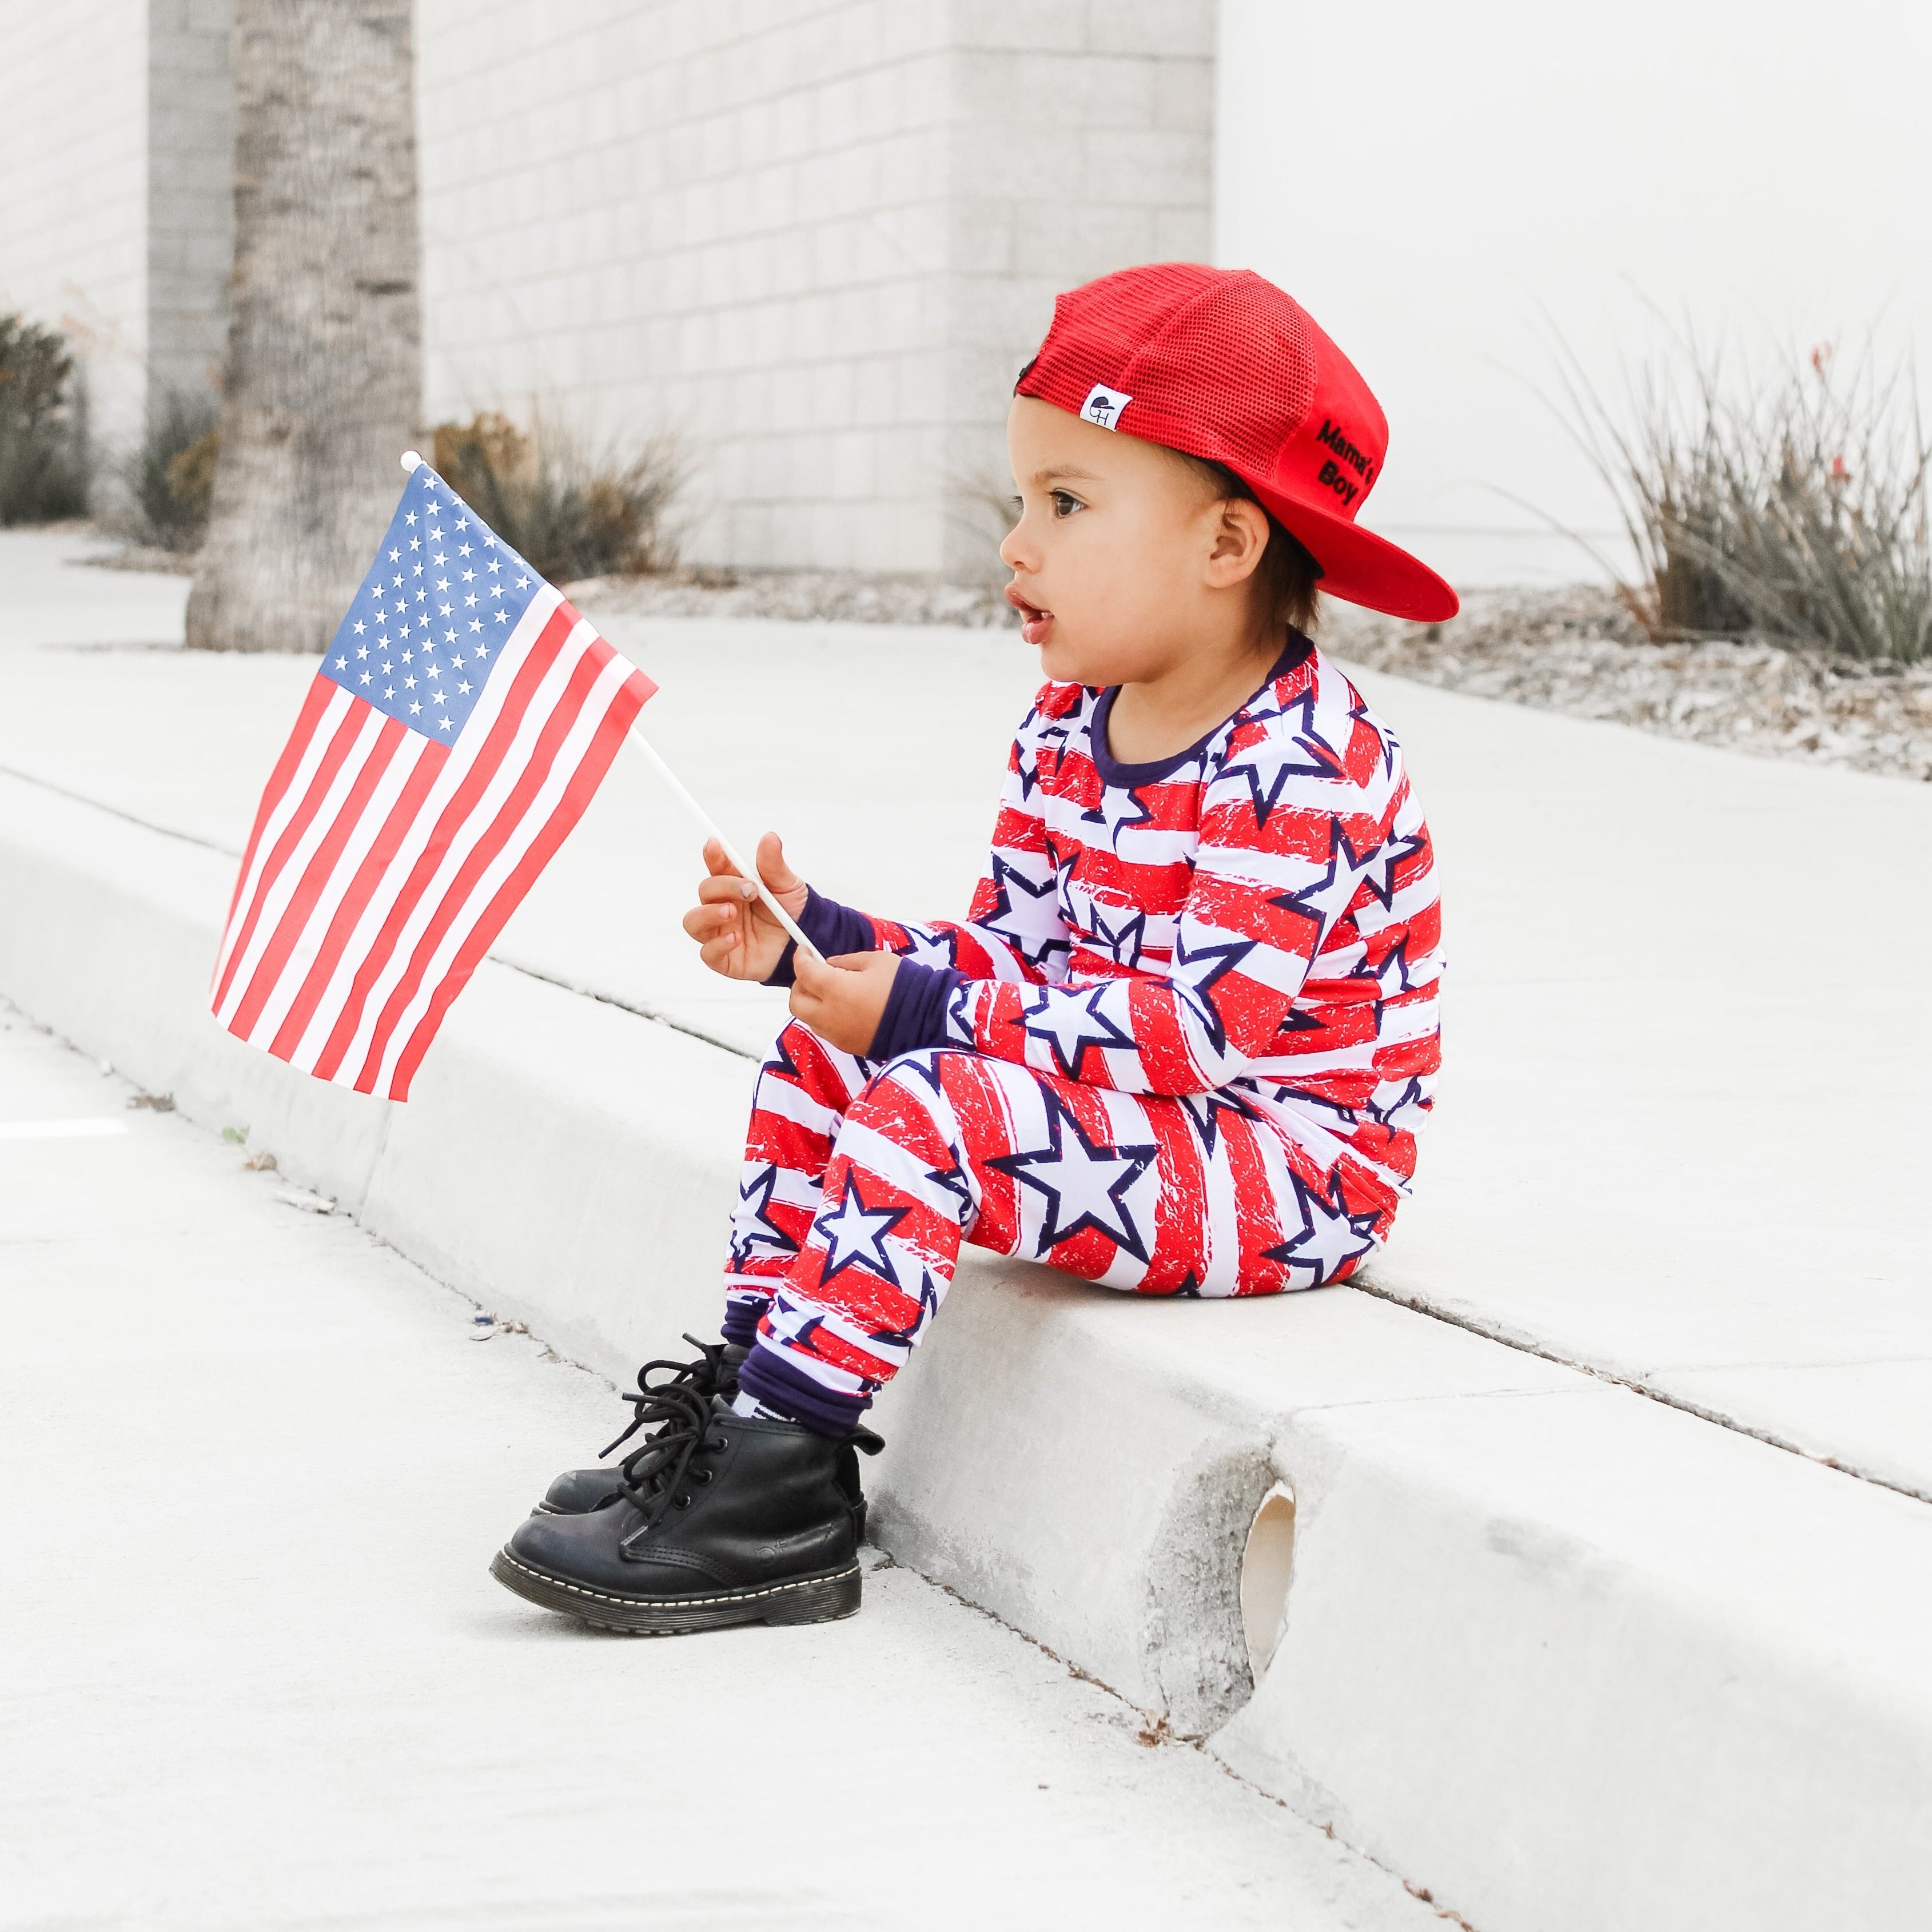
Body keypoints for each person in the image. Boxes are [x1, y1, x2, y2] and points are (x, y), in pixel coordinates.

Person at [490, 263, 1455, 1635]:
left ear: (1226, 545)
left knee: (934, 1103)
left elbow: (1188, 1034)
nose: (1015, 544)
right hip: (1146, 1116)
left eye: (1065, 503)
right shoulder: (1069, 727)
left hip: (1283, 1166)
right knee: (820, 1061)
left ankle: (781, 1498)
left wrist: (915, 1012)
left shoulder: (1302, 765)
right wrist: (820, 945)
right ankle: (751, 1411)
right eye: (1021, 500)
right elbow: (1012, 958)